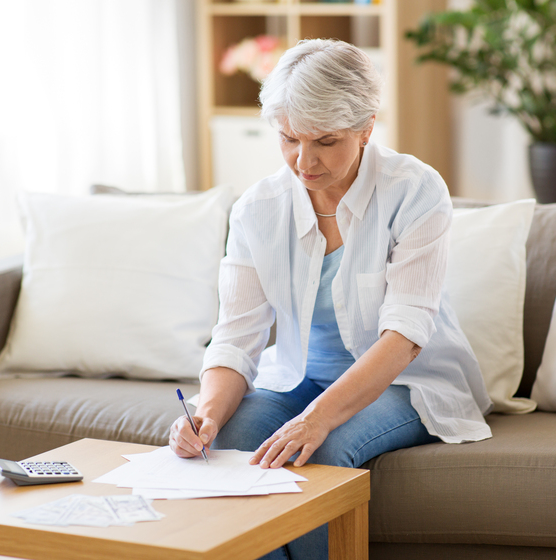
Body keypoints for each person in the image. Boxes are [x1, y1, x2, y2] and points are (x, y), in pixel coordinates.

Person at [169, 38, 493, 560]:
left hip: (405, 381)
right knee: (226, 453)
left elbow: (405, 335)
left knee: (322, 450)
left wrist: (319, 417)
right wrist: (204, 414)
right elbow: (236, 337)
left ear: (366, 128)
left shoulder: (415, 191)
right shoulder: (258, 209)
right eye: (289, 139)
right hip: (298, 376)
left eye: (325, 141)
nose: (305, 161)